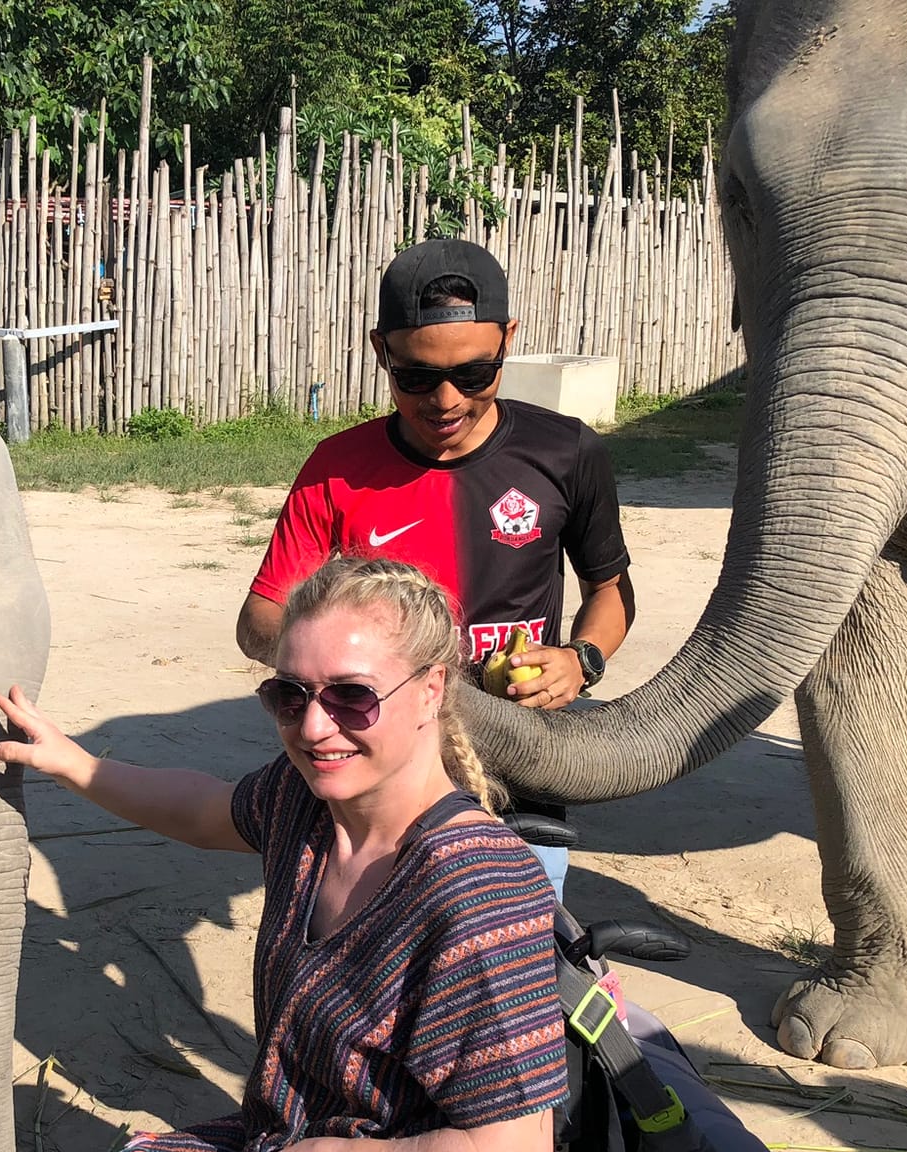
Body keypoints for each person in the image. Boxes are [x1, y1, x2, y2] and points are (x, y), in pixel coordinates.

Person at [0, 556, 568, 1152]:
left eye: (351, 697)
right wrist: (74, 762)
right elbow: (199, 806)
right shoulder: (313, 810)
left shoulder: (476, 889)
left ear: (432, 690)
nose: (314, 727)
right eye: (289, 695)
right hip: (293, 1146)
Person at [235, 238, 635, 900]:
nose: (446, 400)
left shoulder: (566, 453)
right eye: (415, 377)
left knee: (514, 961)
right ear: (380, 351)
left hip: (522, 762)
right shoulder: (337, 467)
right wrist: (360, 671)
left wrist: (581, 660)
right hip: (378, 768)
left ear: (509, 340)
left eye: (475, 374)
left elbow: (610, 591)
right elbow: (259, 620)